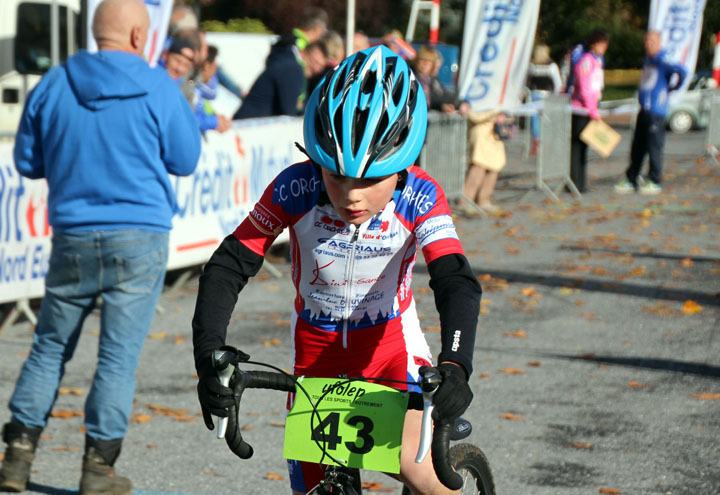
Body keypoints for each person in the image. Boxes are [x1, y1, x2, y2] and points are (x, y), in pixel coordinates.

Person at [192, 45, 481, 495]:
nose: (351, 195)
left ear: (401, 166)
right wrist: (208, 355)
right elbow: (230, 265)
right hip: (315, 362)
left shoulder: (420, 195)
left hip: (390, 353)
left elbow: (455, 281)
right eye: (337, 175)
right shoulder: (297, 186)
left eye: (369, 180)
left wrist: (456, 364)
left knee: (426, 477)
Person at [0, 1, 201, 495]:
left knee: (48, 347)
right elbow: (186, 157)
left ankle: (16, 459)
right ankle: (97, 470)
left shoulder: (55, 82)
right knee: (117, 358)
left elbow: (27, 159)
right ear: (138, 36)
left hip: (72, 235)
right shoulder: (158, 86)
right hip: (140, 237)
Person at [615, 30, 686, 195]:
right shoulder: (648, 60)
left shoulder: (664, 59)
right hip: (644, 110)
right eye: (647, 41)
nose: (649, 45)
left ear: (659, 43)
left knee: (654, 146)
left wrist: (674, 87)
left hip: (656, 111)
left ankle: (655, 180)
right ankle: (632, 178)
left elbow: (682, 71)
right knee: (638, 146)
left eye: (653, 41)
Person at [233, 40, 328, 119]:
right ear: (303, 53)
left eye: (320, 67)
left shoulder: (289, 63)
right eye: (314, 62)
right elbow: (289, 112)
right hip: (251, 126)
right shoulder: (293, 68)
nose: (316, 69)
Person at [570, 29, 610, 193]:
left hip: (590, 109)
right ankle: (575, 182)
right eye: (601, 44)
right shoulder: (586, 61)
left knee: (584, 147)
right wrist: (592, 110)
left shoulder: (597, 61)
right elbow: (585, 88)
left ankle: (581, 182)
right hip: (582, 110)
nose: (604, 47)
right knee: (577, 147)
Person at [461, 110, 512, 215]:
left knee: (495, 166)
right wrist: (494, 114)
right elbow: (472, 115)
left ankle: (484, 200)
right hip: (480, 133)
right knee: (479, 166)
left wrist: (504, 115)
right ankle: (466, 201)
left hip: (495, 134)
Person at [526, 44, 562, 155]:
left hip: (534, 94)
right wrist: (556, 95)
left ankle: (536, 143)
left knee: (535, 120)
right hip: (547, 95)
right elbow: (558, 83)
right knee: (548, 119)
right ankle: (548, 143)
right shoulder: (551, 66)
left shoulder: (532, 66)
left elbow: (527, 82)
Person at [413, 45, 469, 115]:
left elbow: (443, 95)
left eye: (428, 61)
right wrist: (441, 106)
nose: (425, 64)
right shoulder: (412, 79)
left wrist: (460, 103)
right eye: (422, 60)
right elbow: (425, 100)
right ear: (417, 61)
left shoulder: (432, 81)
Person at [194, 44, 232, 133]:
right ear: (207, 66)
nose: (215, 72)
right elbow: (188, 118)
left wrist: (215, 118)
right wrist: (214, 122)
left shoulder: (195, 84)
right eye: (215, 66)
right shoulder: (190, 84)